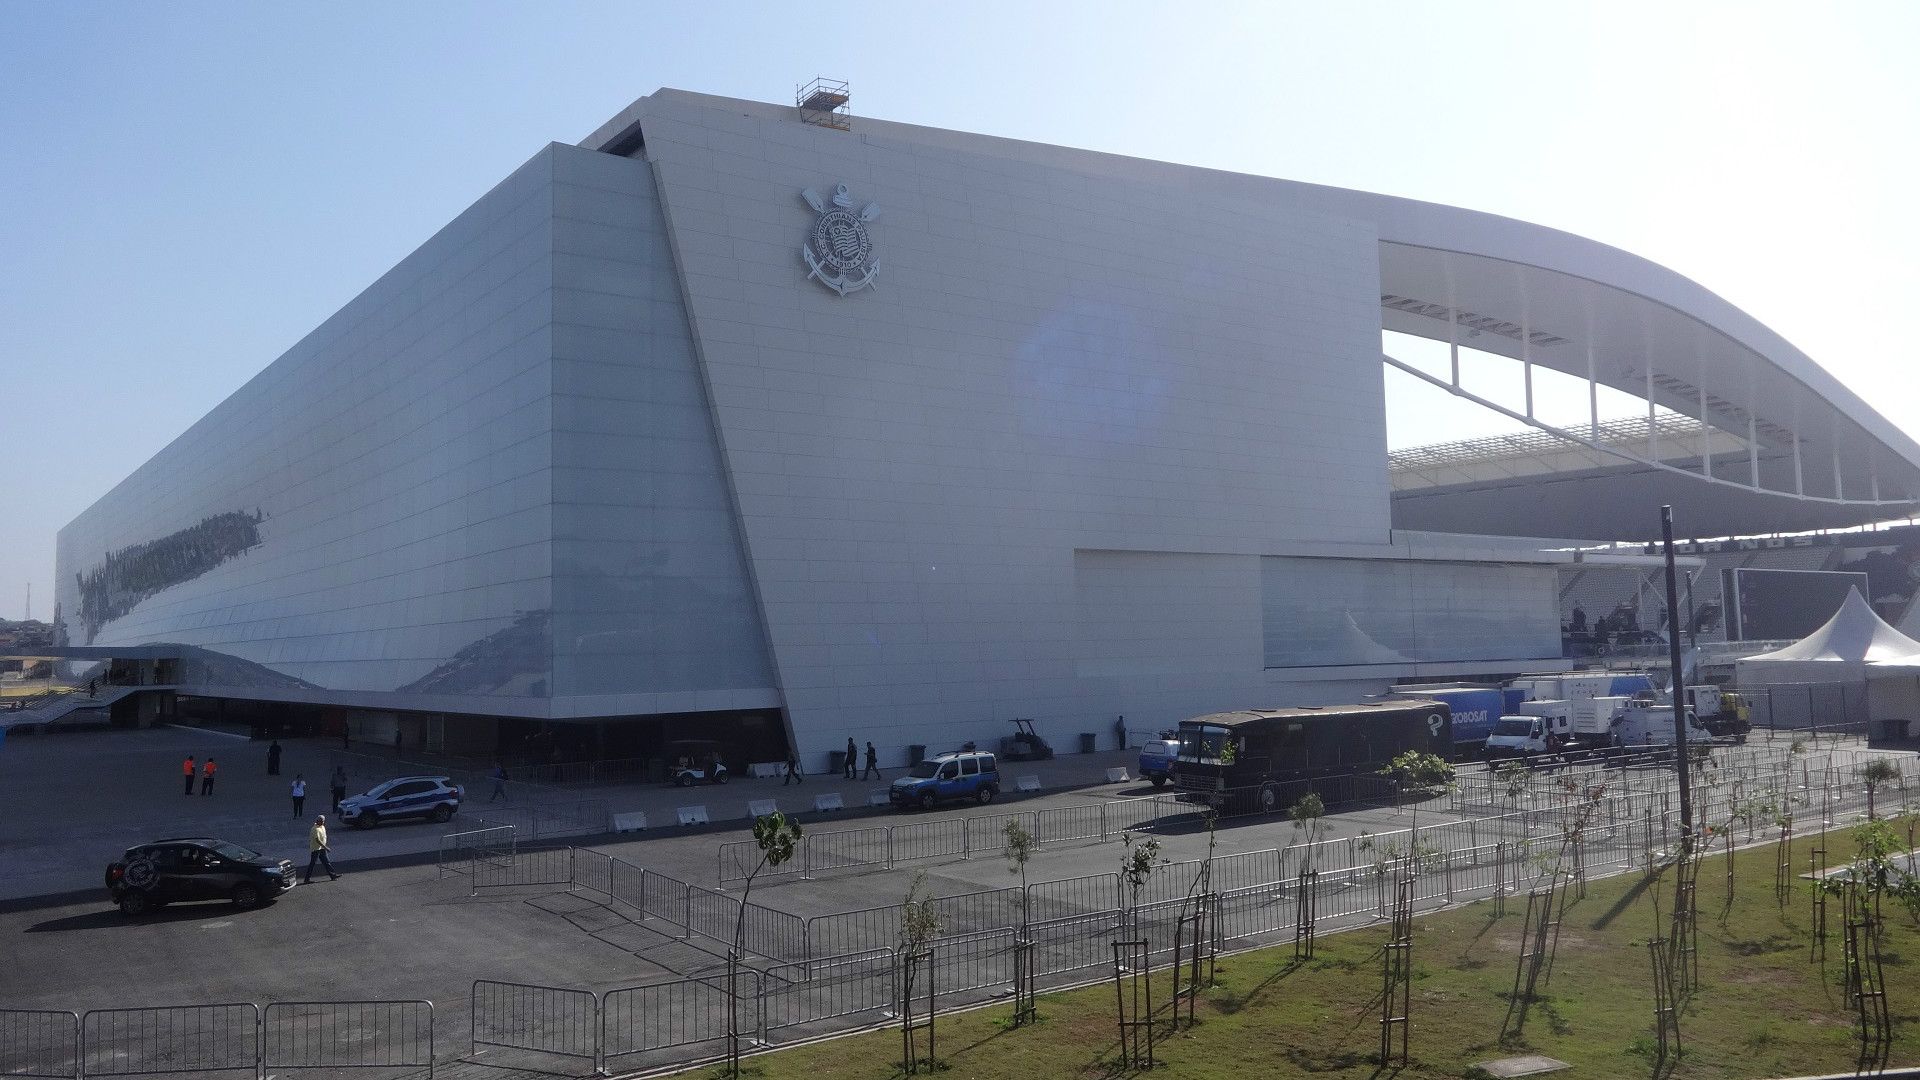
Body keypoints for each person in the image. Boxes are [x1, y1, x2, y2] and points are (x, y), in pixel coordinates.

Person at [304, 815, 339, 883]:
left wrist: (324, 846)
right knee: (312, 864)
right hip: (316, 849)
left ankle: (333, 876)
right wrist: (326, 847)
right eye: (322, 821)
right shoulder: (315, 829)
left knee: (326, 862)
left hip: (322, 848)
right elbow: (317, 840)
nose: (323, 822)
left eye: (323, 821)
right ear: (318, 821)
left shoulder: (322, 827)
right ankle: (306, 879)